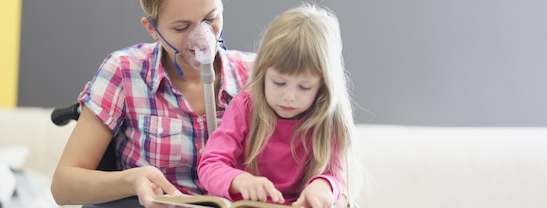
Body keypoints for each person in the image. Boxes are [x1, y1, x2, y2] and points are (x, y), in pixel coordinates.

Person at [50, 0, 254, 207]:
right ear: (152, 29)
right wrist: (132, 181)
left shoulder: (259, 76)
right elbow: (62, 187)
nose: (202, 37)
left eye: (210, 18)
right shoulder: (124, 71)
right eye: (181, 28)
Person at [198, 4, 357, 208]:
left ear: (323, 87)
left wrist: (322, 186)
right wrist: (240, 181)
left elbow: (334, 174)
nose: (289, 96)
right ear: (263, 73)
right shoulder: (245, 106)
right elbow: (210, 165)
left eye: (304, 87)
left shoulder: (328, 119)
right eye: (279, 83)